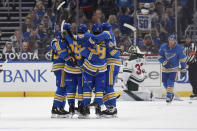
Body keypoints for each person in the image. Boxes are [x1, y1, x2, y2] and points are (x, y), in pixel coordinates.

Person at [158, 35, 187, 103]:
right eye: (170, 40)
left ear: (175, 41)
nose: (171, 42)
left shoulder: (179, 49)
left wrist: (183, 69)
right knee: (164, 83)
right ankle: (171, 93)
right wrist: (163, 62)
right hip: (165, 68)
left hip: (174, 69)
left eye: (172, 40)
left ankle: (168, 96)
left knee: (170, 81)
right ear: (168, 40)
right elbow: (159, 56)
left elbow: (182, 60)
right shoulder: (163, 46)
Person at [50, 31, 70, 118]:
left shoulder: (62, 41)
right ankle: (55, 108)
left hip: (62, 67)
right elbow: (61, 52)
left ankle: (61, 107)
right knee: (61, 87)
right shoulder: (56, 41)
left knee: (64, 87)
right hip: (60, 67)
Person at [184, 35, 197, 99]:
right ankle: (195, 92)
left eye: (189, 39)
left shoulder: (193, 45)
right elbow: (185, 55)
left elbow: (192, 55)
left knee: (194, 79)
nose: (187, 40)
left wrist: (187, 62)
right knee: (191, 80)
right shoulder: (185, 46)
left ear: (190, 39)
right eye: (186, 39)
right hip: (190, 65)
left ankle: (195, 93)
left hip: (194, 64)